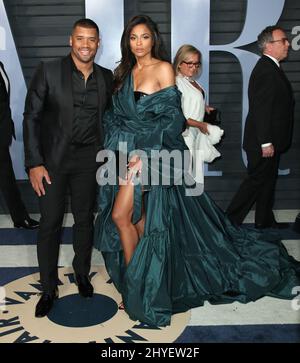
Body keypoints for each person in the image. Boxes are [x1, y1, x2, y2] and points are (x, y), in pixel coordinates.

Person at [94, 15, 300, 327]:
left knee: (122, 217)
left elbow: (171, 121)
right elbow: (115, 118)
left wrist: (140, 154)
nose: (138, 43)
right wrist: (122, 149)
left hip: (153, 157)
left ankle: (140, 287)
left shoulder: (163, 69)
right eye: (133, 37)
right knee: (136, 220)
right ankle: (140, 283)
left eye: (144, 37)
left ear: (154, 40)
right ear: (127, 41)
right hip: (126, 155)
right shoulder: (124, 71)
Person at [23, 19, 113, 318]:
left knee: (85, 220)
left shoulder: (106, 77)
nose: (85, 44)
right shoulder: (48, 71)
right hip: (52, 162)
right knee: (49, 224)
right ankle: (49, 288)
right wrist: (34, 163)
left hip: (90, 160)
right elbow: (31, 118)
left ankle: (82, 274)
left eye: (91, 39)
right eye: (80, 38)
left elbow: (112, 121)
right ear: (70, 41)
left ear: (98, 43)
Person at [226, 26, 294, 229]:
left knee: (267, 183)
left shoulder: (270, 67)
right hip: (263, 142)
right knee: (256, 182)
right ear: (269, 46)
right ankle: (228, 223)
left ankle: (264, 221)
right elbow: (261, 110)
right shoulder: (266, 70)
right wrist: (266, 142)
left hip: (269, 141)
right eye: (283, 40)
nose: (288, 44)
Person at [174, 44, 224, 184]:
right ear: (179, 63)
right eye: (189, 63)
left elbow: (189, 103)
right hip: (185, 137)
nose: (194, 67)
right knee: (187, 178)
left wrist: (204, 107)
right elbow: (177, 114)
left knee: (194, 179)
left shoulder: (192, 82)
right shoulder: (176, 83)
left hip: (196, 136)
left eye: (196, 64)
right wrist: (200, 124)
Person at [0, 61, 39, 230]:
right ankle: (20, 217)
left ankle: (20, 218)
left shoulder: (0, 64)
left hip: (2, 131)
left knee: (6, 177)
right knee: (6, 177)